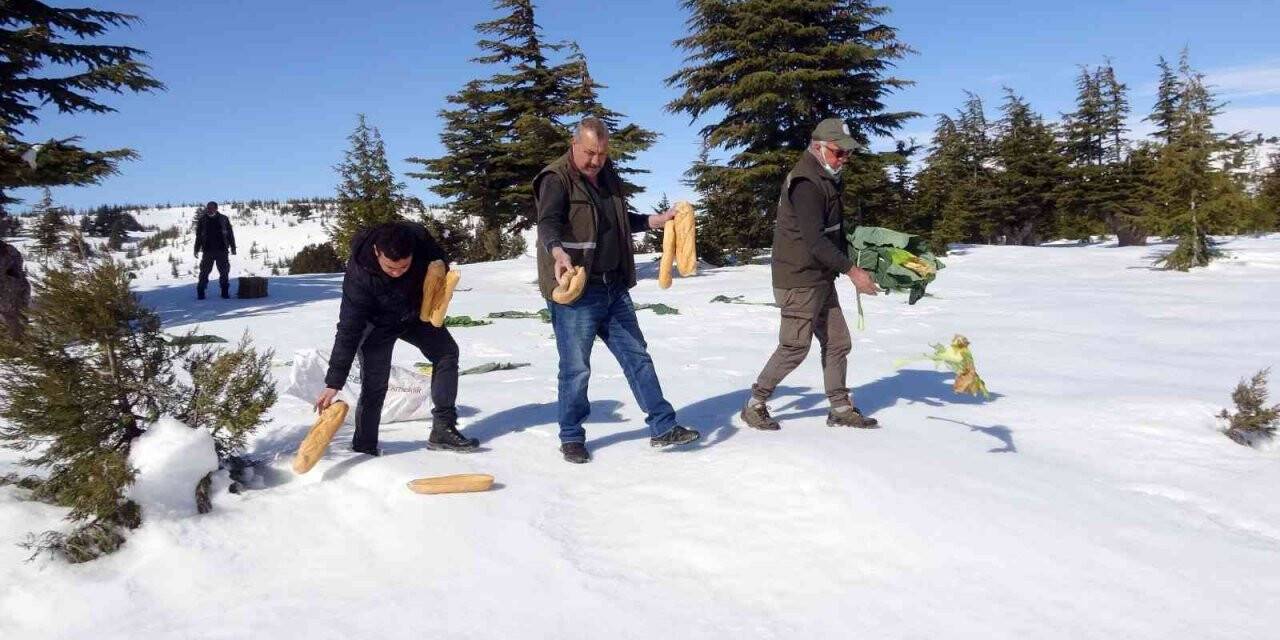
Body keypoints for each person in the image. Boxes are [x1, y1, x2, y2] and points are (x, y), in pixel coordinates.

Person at [536, 117, 702, 464]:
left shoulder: (607, 174)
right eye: (589, 153)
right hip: (577, 289)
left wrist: (653, 221)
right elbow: (548, 221)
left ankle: (663, 426)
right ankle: (571, 436)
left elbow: (617, 217)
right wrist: (557, 250)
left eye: (601, 153)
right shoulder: (557, 178)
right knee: (576, 367)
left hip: (614, 286)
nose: (595, 161)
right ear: (573, 143)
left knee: (637, 356)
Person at [740, 118, 882, 431]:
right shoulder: (806, 182)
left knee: (838, 341)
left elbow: (833, 232)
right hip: (799, 277)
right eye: (838, 152)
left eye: (847, 153)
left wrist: (854, 260)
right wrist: (852, 270)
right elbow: (815, 240)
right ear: (817, 147)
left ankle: (840, 408)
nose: (844, 159)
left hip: (819, 274)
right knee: (794, 346)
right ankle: (755, 404)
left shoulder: (827, 176)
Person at [314, 221, 477, 455]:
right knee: (375, 384)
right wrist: (334, 383)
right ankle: (365, 445)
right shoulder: (359, 274)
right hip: (377, 325)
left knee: (446, 353)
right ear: (377, 252)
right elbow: (349, 329)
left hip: (414, 314)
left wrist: (437, 289)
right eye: (391, 268)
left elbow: (439, 263)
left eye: (404, 267)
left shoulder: (418, 239)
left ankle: (443, 428)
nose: (397, 272)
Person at [193, 201, 236, 300]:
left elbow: (230, 234)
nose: (210, 210)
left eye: (212, 208)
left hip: (222, 250)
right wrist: (196, 249)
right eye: (208, 208)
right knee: (204, 272)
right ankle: (201, 292)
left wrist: (233, 247)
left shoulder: (224, 219)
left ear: (216, 209)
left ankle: (224, 292)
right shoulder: (202, 220)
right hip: (208, 251)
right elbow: (198, 236)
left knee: (224, 272)